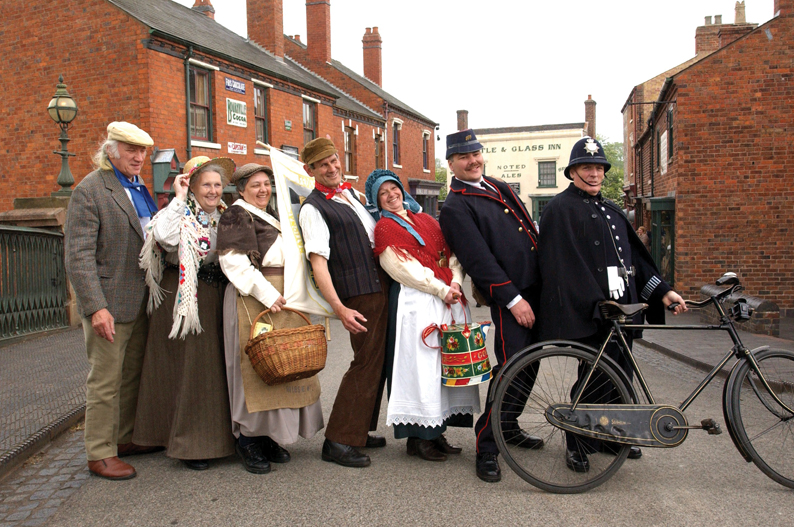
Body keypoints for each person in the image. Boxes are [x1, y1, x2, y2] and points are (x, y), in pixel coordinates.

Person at [537, 136, 687, 473]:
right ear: (573, 172)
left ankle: (609, 436)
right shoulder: (560, 210)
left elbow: (635, 259)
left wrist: (662, 291)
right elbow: (561, 266)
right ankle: (577, 443)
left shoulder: (611, 210)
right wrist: (596, 304)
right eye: (586, 167)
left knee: (621, 376)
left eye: (598, 168)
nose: (594, 174)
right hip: (591, 313)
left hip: (625, 312)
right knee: (591, 379)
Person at [438, 129, 543, 483]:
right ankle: (487, 446)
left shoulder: (498, 185)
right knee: (512, 367)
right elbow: (479, 261)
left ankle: (508, 426)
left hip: (537, 287)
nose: (473, 161)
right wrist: (513, 300)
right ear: (450, 164)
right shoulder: (455, 205)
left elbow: (529, 230)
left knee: (531, 366)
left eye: (476, 153)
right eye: (464, 157)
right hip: (511, 296)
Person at [64, 121, 160, 480]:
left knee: (131, 376)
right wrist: (95, 307)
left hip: (139, 301)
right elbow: (78, 256)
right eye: (130, 150)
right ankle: (100, 453)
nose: (138, 157)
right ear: (111, 151)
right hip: (109, 303)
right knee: (104, 381)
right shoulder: (89, 191)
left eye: (142, 151)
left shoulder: (137, 187)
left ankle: (123, 438)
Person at [217, 163, 325, 474]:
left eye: (266, 184)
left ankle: (269, 436)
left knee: (282, 366)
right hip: (253, 297)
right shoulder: (237, 214)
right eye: (255, 185)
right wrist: (267, 295)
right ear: (240, 190)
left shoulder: (273, 215)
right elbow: (233, 262)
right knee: (253, 368)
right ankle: (249, 439)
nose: (263, 190)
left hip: (282, 295)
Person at [366, 170, 480, 462]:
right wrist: (440, 289)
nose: (391, 195)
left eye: (394, 189)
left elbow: (451, 254)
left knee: (442, 367)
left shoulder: (428, 221)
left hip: (446, 297)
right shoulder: (385, 228)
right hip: (416, 301)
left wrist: (455, 281)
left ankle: (436, 430)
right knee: (419, 367)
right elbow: (402, 269)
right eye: (383, 193)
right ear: (377, 200)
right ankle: (418, 438)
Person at [133, 156, 237, 470]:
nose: (214, 190)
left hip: (216, 295)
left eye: (218, 184)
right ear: (190, 185)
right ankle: (190, 444)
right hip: (184, 298)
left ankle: (220, 438)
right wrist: (178, 199)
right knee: (191, 370)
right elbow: (164, 237)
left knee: (215, 370)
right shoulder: (178, 213)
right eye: (206, 184)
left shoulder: (224, 216)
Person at [299, 138, 388, 468]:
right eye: (323, 164)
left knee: (376, 362)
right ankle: (338, 440)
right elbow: (318, 262)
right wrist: (339, 307)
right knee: (365, 362)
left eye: (334, 160)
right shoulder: (313, 208)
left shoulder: (349, 195)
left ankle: (358, 429)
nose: (332, 167)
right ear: (311, 171)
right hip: (359, 293)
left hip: (378, 285)